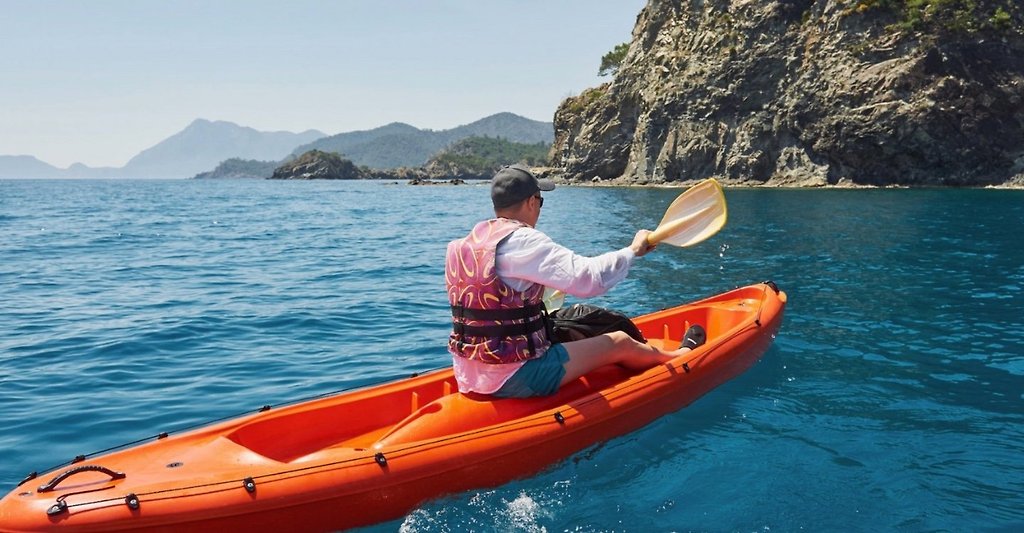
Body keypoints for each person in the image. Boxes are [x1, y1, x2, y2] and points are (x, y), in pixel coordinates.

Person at [445, 164, 706, 398]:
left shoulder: (461, 246)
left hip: (467, 374)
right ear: (531, 202)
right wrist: (633, 251)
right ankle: (680, 356)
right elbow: (589, 281)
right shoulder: (524, 240)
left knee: (569, 325)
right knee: (618, 342)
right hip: (513, 376)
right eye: (541, 201)